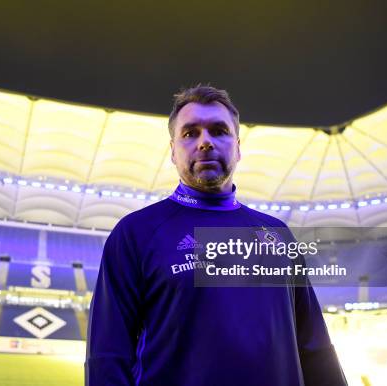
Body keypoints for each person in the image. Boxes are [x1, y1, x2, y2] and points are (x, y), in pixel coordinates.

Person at [85, 85, 347, 386]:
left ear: (237, 147)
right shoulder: (135, 233)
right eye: (190, 133)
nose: (205, 142)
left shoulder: (277, 235)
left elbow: (314, 346)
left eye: (219, 131)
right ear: (172, 151)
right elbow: (107, 355)